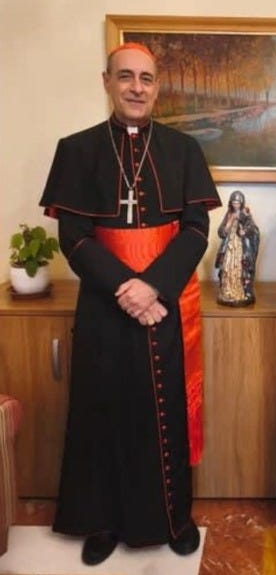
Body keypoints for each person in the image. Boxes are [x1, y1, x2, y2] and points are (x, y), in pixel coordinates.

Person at [39, 42, 221, 566]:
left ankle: (174, 519)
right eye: (125, 77)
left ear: (156, 87)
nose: (136, 88)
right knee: (103, 413)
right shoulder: (77, 150)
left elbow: (195, 229)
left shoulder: (183, 149)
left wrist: (154, 287)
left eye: (146, 78)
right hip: (104, 302)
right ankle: (102, 523)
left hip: (164, 302)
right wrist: (126, 288)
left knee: (165, 412)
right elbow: (73, 236)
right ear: (107, 82)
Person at [214, 190, 260, 306]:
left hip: (240, 246)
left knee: (240, 267)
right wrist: (229, 222)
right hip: (229, 245)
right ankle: (227, 290)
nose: (236, 205)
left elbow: (253, 229)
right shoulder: (228, 214)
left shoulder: (246, 214)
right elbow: (221, 232)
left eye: (238, 203)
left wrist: (245, 231)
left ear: (241, 203)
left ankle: (240, 291)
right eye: (234, 202)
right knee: (227, 267)